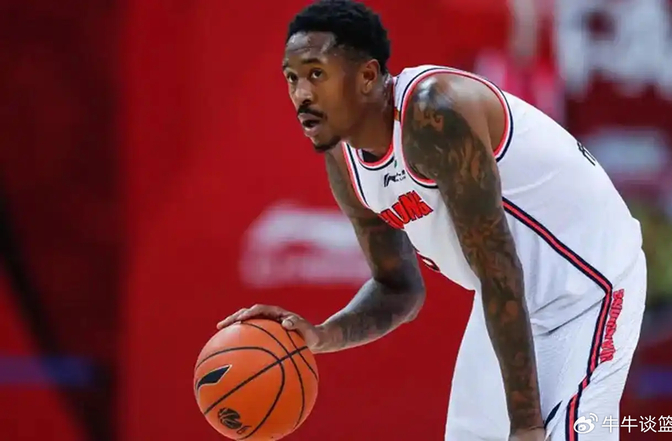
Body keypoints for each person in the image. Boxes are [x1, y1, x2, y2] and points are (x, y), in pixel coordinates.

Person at [217, 1, 646, 439]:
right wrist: (320, 336)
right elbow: (398, 289)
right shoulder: (344, 158)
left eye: (316, 74)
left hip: (589, 285)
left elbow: (498, 267)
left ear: (367, 76)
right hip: (511, 298)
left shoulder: (434, 112)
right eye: (292, 78)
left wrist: (526, 426)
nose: (301, 94)